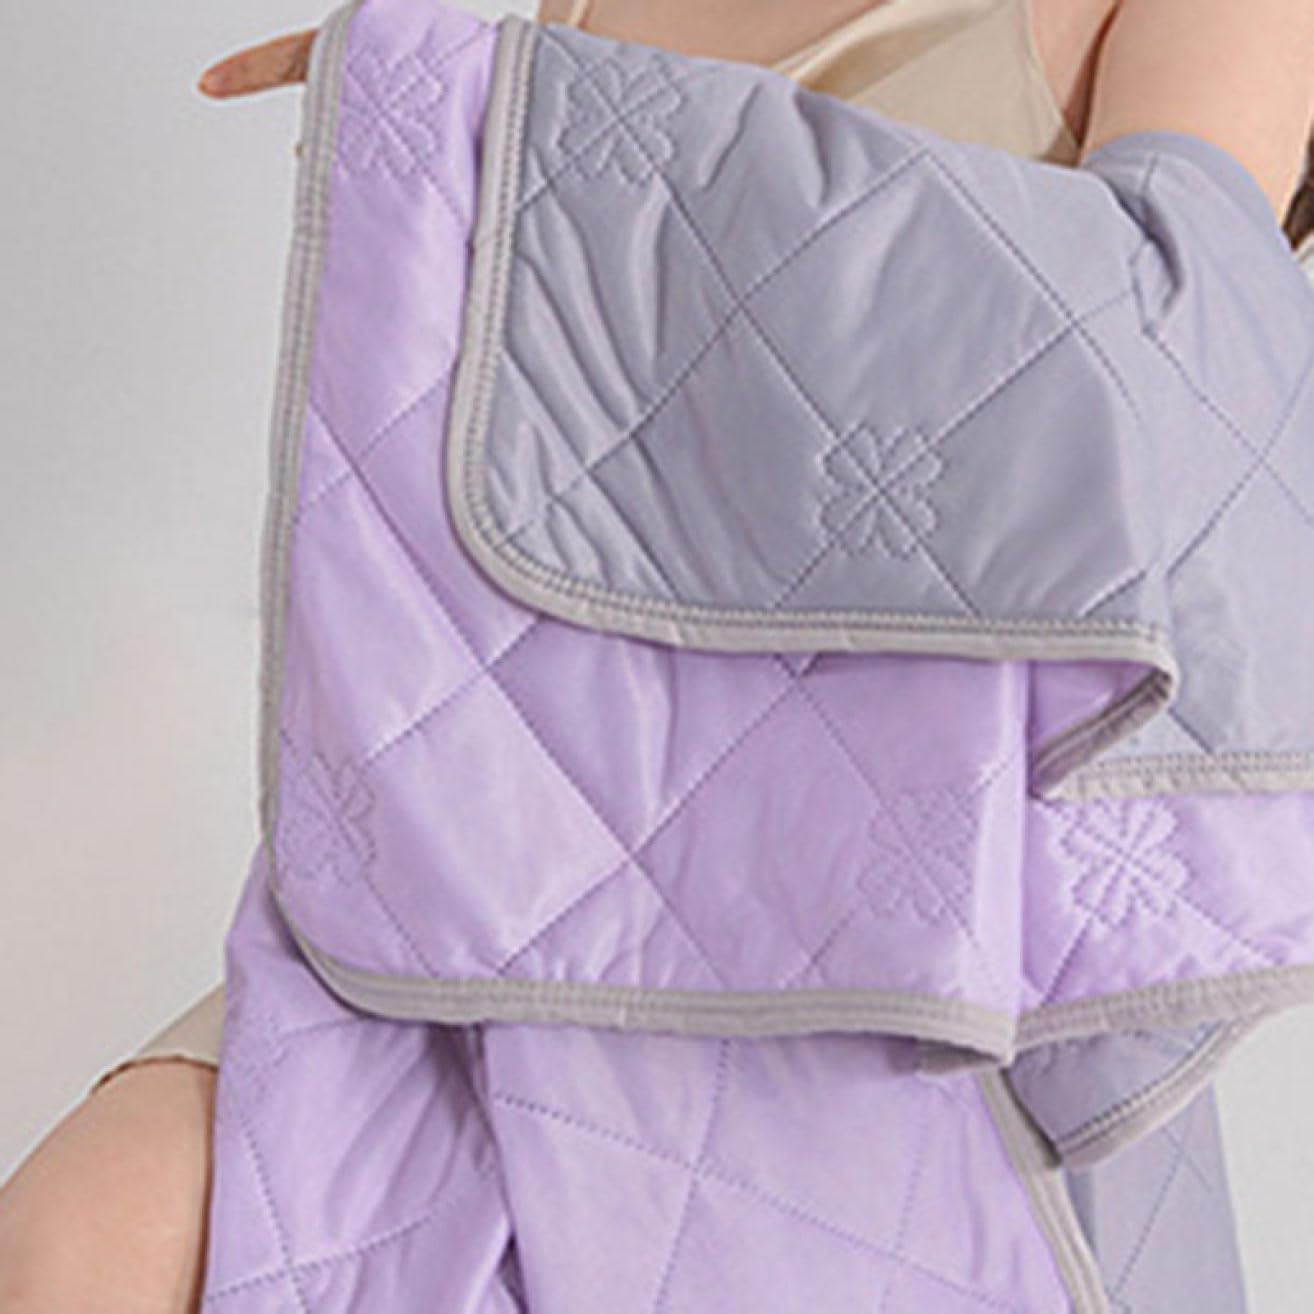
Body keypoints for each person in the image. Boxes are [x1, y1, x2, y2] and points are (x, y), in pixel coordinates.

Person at [3, 1, 1313, 1309]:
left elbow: (1173, 358)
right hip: (509, 827)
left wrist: (511, 118)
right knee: (75, 1241)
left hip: (891, 908)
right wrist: (434, 148)